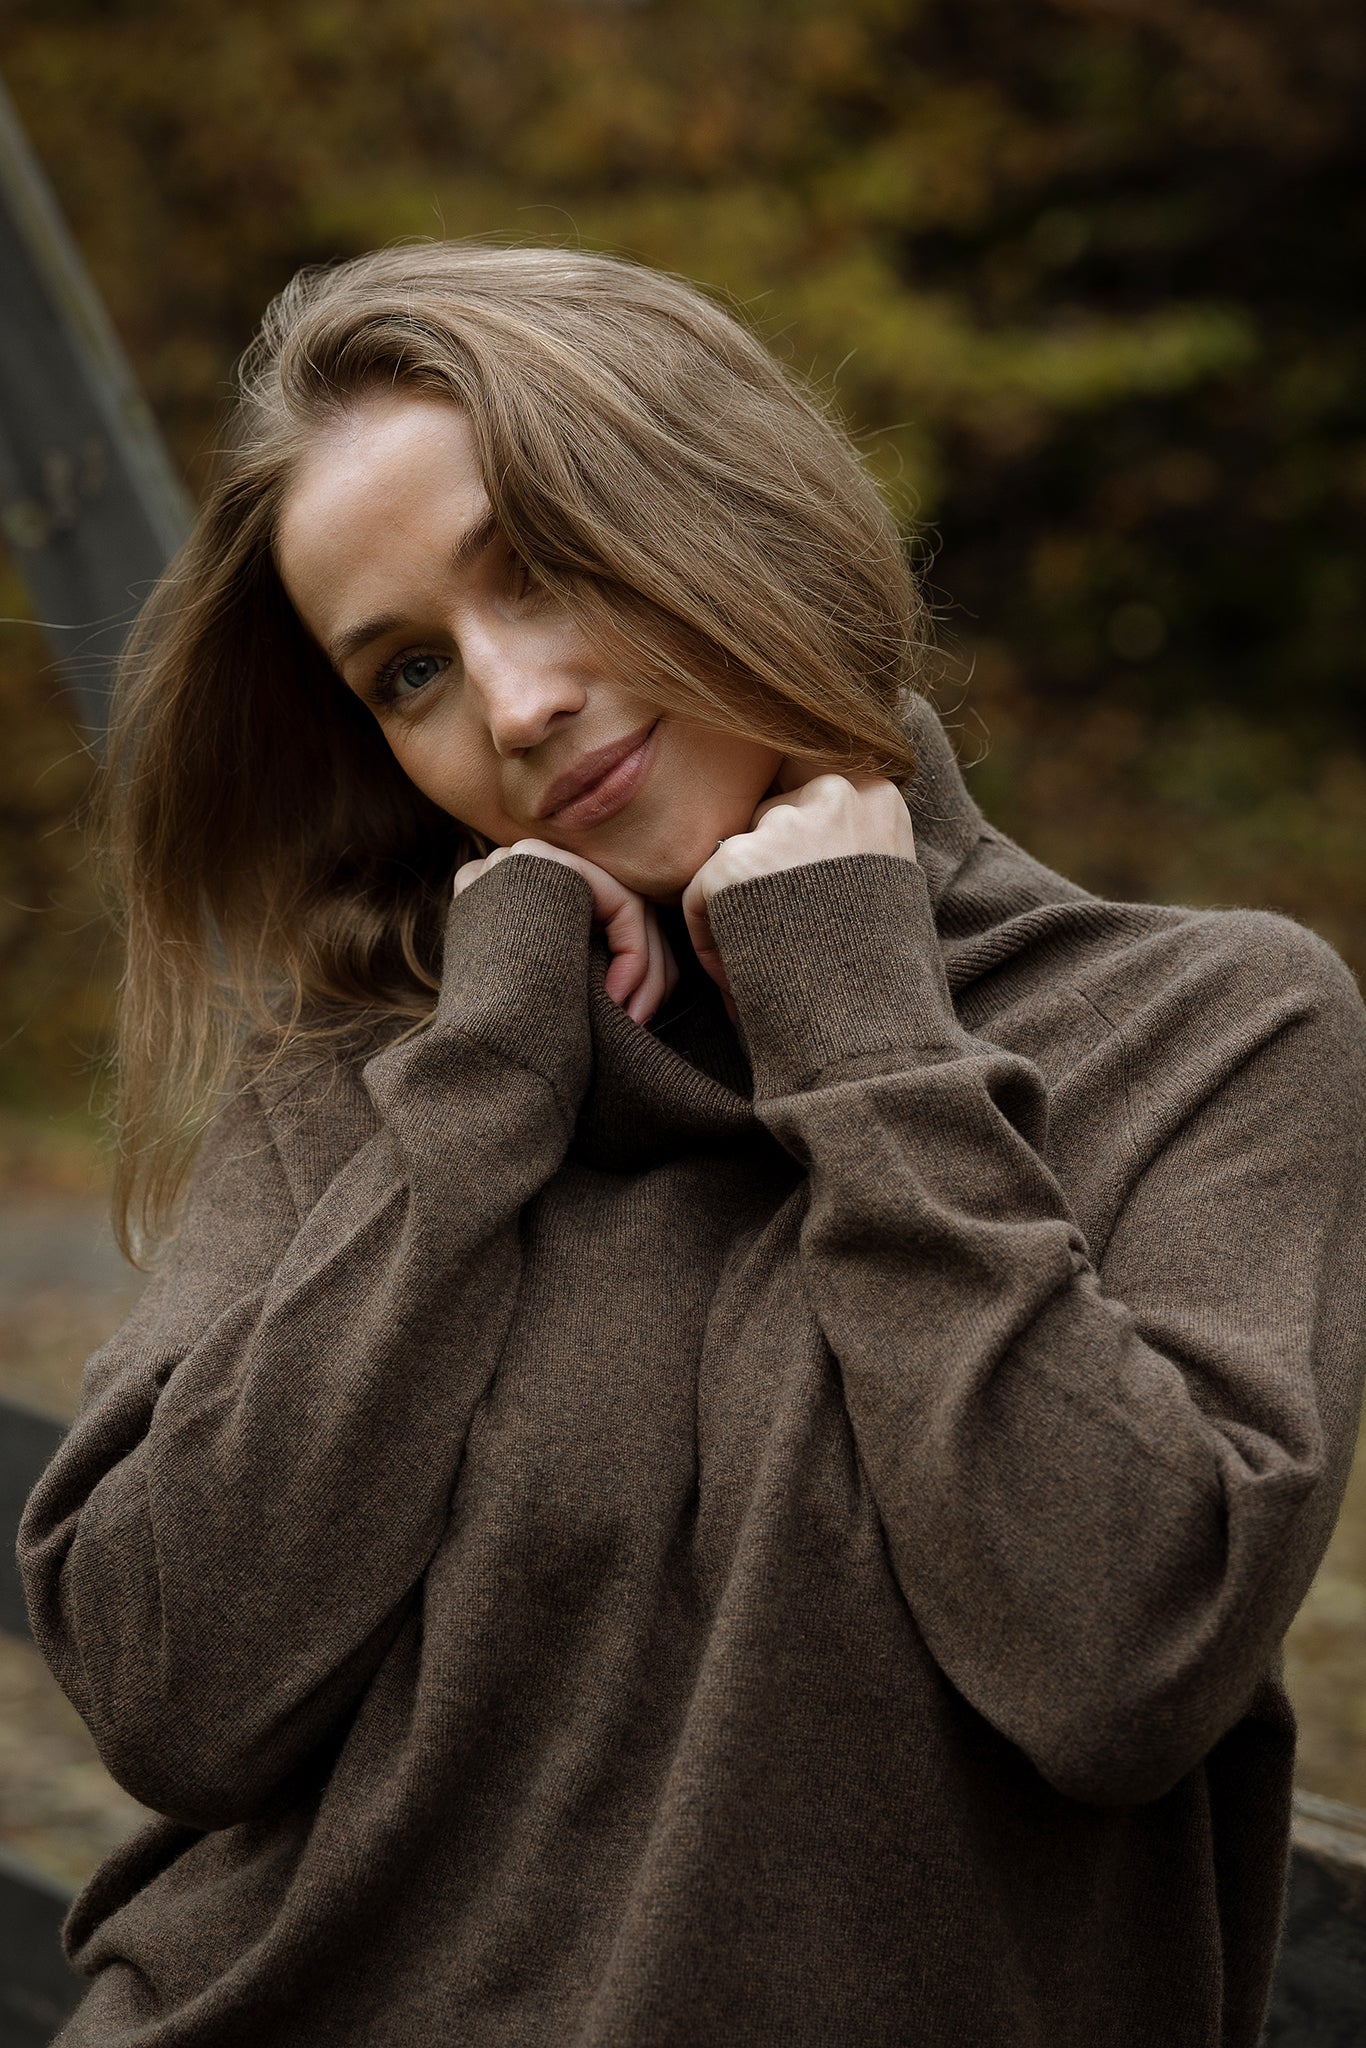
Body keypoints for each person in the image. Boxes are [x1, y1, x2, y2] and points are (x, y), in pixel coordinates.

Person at [18, 242, 1366, 2048]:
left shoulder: (1203, 1029)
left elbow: (1118, 1659)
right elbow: (166, 1687)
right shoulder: (374, 1084)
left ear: (728, 502)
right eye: (409, 672)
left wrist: (859, 1028)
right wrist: (484, 1093)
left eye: (542, 569)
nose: (509, 704)